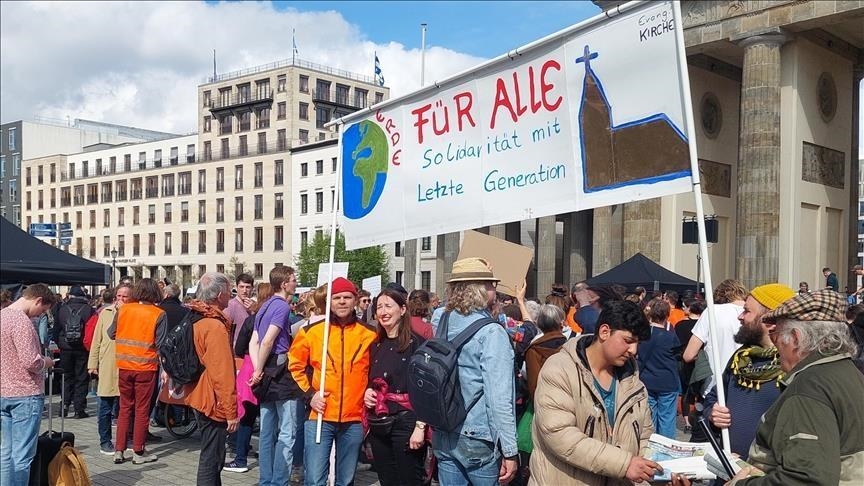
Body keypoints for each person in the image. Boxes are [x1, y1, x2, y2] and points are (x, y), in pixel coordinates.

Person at [675, 289, 864, 486]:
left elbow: (804, 478)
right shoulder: (847, 372)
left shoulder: (810, 386)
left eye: (779, 335)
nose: (777, 343)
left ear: (796, 338)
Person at [529, 299, 660, 485]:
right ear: (604, 332)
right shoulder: (559, 370)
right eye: (628, 341)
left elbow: (645, 437)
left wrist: (659, 472)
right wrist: (624, 464)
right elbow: (560, 435)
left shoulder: (633, 382)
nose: (633, 350)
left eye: (637, 343)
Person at [432, 257, 518, 486]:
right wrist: (510, 450)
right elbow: (498, 397)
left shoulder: (441, 319)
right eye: (490, 284)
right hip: (476, 433)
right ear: (478, 289)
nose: (495, 288)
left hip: (444, 428)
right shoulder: (491, 333)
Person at [288, 277, 378, 486]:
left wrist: (370, 391)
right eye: (337, 298)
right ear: (329, 302)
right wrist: (310, 395)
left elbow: (377, 372)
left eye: (347, 297)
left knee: (345, 480)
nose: (342, 302)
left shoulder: (370, 334)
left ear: (355, 300)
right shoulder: (313, 332)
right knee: (314, 479)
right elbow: (294, 367)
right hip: (320, 415)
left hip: (354, 418)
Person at [703, 283, 795, 459]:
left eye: (747, 311)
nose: (740, 317)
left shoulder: (791, 366)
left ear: (769, 321)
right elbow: (714, 398)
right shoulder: (741, 357)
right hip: (729, 469)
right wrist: (713, 413)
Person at [363, 288, 428, 486]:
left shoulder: (417, 344)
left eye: (388, 306)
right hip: (379, 423)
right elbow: (370, 380)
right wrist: (368, 392)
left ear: (402, 309)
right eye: (379, 307)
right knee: (387, 479)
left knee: (409, 480)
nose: (383, 312)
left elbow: (426, 390)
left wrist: (420, 427)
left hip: (406, 421)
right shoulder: (376, 345)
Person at [181, 272, 240, 485]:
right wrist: (231, 412)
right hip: (211, 399)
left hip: (197, 392)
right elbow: (222, 374)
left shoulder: (196, 316)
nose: (231, 296)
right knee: (212, 457)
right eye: (229, 291)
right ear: (219, 294)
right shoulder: (214, 326)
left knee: (212, 454)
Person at [248, 266, 303, 486]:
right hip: (280, 372)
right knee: (287, 432)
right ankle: (279, 481)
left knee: (267, 430)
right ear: (284, 284)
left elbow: (255, 341)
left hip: (265, 370)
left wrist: (256, 369)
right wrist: (259, 369)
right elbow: (268, 340)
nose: (295, 282)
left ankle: (265, 480)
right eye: (293, 279)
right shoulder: (281, 306)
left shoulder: (263, 306)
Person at [1, 284, 57, 485]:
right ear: (38, 300)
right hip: (25, 394)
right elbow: (30, 362)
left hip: (4, 391)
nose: (38, 315)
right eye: (41, 310)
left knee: (6, 454)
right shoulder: (22, 322)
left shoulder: (2, 316)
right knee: (22, 456)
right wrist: (47, 361)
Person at [109, 278, 167, 465]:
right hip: (146, 368)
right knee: (142, 410)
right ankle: (138, 451)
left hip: (124, 365)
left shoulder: (124, 309)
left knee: (124, 408)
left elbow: (111, 333)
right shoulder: (158, 314)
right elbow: (161, 345)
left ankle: (119, 450)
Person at [225, 282, 272, 474]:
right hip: (273, 372)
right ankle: (269, 459)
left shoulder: (252, 320)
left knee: (247, 417)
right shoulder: (281, 318)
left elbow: (238, 348)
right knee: (270, 419)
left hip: (251, 370)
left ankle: (241, 459)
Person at [682, 278, 748, 395]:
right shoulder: (754, 314)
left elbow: (688, 355)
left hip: (715, 385)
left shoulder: (712, 312)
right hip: (746, 386)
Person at [87, 284, 127, 455]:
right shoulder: (105, 313)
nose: (121, 300)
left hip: (126, 364)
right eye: (119, 296)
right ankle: (105, 440)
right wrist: (92, 363)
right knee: (105, 406)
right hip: (108, 365)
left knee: (124, 408)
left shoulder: (133, 313)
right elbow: (97, 339)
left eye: (125, 297)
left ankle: (124, 440)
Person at [637, 300, 681, 439]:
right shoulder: (670, 336)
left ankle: (650, 446)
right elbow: (679, 356)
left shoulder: (643, 335)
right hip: (668, 381)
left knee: (649, 419)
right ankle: (666, 450)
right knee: (667, 419)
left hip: (647, 380)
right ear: (667, 315)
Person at [52, 285, 95, 418]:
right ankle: (79, 409)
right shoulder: (89, 310)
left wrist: (60, 343)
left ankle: (64, 407)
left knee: (66, 377)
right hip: (82, 348)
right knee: (81, 378)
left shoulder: (62, 308)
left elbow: (56, 330)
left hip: (65, 348)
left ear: (70, 295)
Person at [674, 299, 704, 432]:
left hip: (683, 362)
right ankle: (699, 418)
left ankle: (687, 422)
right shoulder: (704, 324)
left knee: (685, 392)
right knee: (701, 391)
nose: (683, 308)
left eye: (685, 306)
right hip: (701, 361)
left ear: (690, 309)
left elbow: (676, 345)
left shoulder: (680, 325)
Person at [226, 273, 255, 347]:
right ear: (236, 287)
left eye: (248, 287)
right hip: (236, 351)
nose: (244, 290)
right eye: (241, 287)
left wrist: (254, 309)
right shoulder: (230, 306)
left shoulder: (255, 305)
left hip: (252, 350)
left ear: (252, 288)